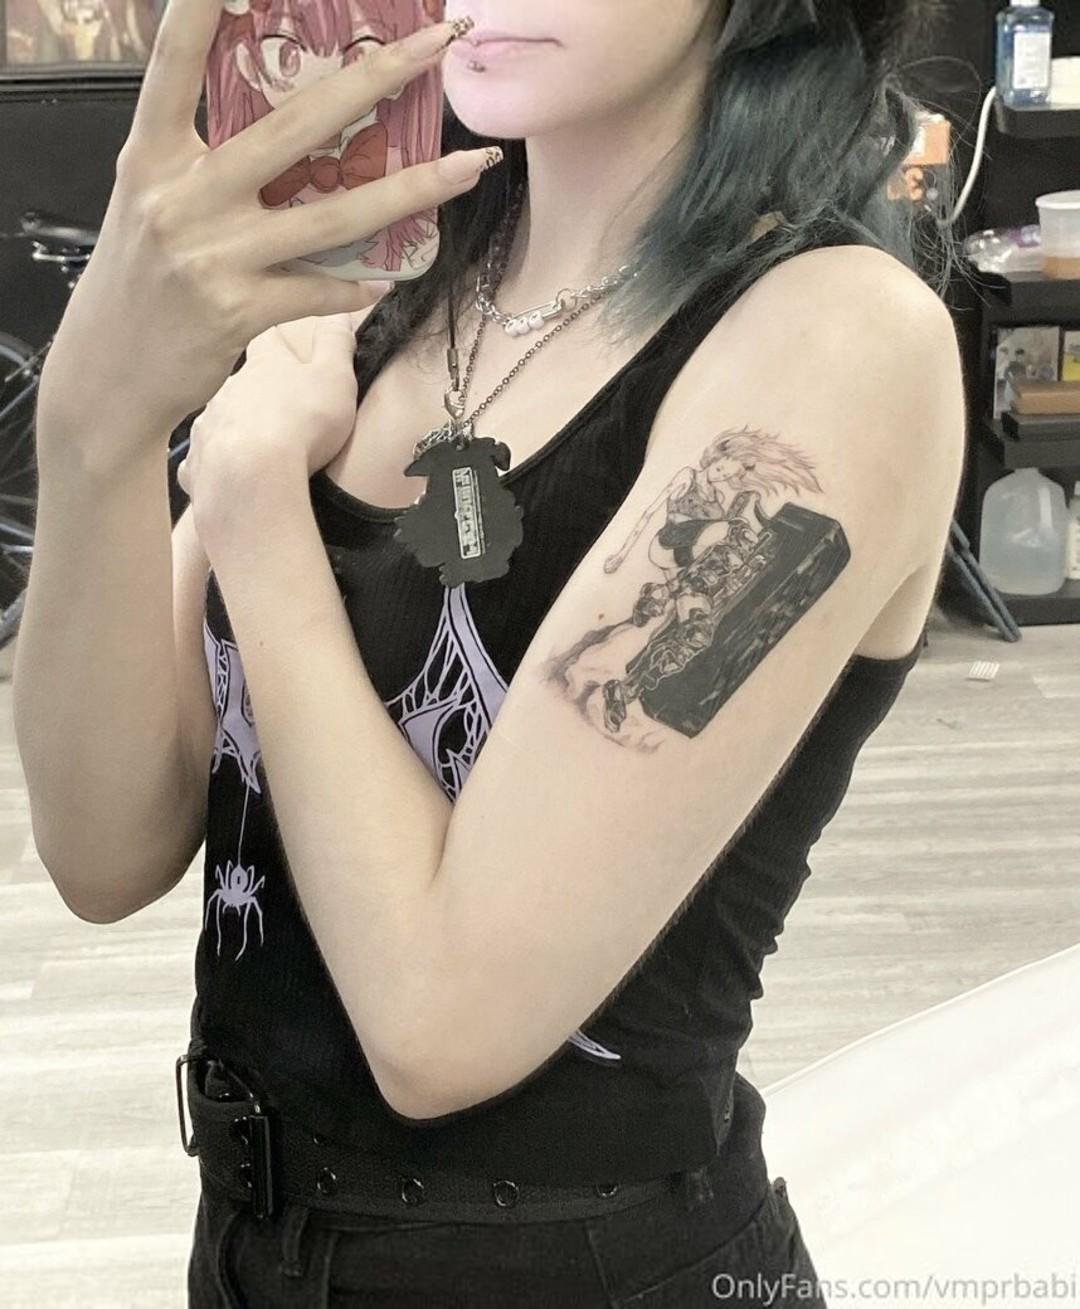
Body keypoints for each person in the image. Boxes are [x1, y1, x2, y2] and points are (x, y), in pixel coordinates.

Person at [13, 1, 966, 1305]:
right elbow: (104, 847)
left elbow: (442, 1020)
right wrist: (95, 417)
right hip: (245, 1248)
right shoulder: (389, 283)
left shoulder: (838, 351)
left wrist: (252, 503)